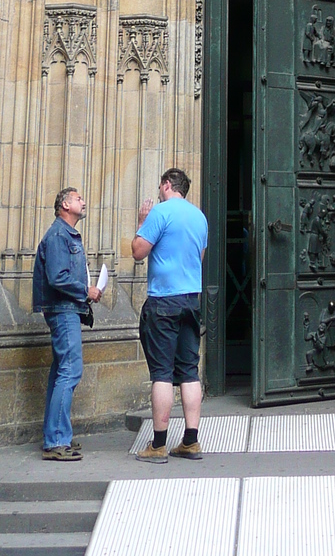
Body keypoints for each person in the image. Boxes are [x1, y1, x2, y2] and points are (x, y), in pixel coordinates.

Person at [132, 167, 209, 463]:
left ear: (166, 185)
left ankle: (159, 444)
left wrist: (142, 222)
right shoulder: (199, 217)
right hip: (191, 299)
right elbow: (198, 258)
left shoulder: (161, 213)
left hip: (163, 300)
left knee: (162, 373)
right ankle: (191, 441)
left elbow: (138, 251)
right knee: (189, 370)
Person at [32, 187, 102, 461]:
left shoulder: (64, 234)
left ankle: (57, 436)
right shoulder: (60, 235)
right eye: (78, 199)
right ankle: (57, 440)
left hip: (65, 308)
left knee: (62, 370)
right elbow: (58, 277)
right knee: (70, 370)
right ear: (64, 205)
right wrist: (86, 291)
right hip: (62, 310)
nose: (83, 202)